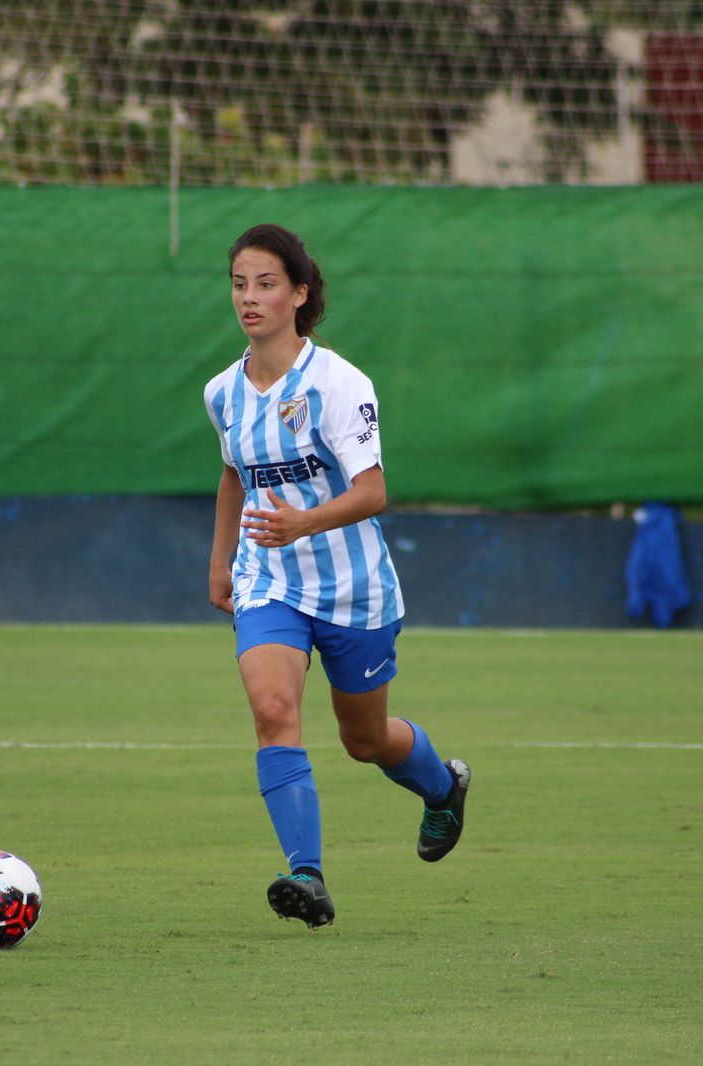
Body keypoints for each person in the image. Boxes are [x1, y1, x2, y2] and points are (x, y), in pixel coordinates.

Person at [203, 223, 470, 929]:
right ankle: (307, 876)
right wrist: (223, 558)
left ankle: (443, 789)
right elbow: (235, 473)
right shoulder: (222, 392)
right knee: (272, 712)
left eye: (265, 284)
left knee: (365, 741)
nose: (249, 298)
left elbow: (373, 491)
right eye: (239, 284)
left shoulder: (338, 383)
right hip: (268, 582)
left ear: (299, 293)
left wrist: (302, 523)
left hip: (354, 589)